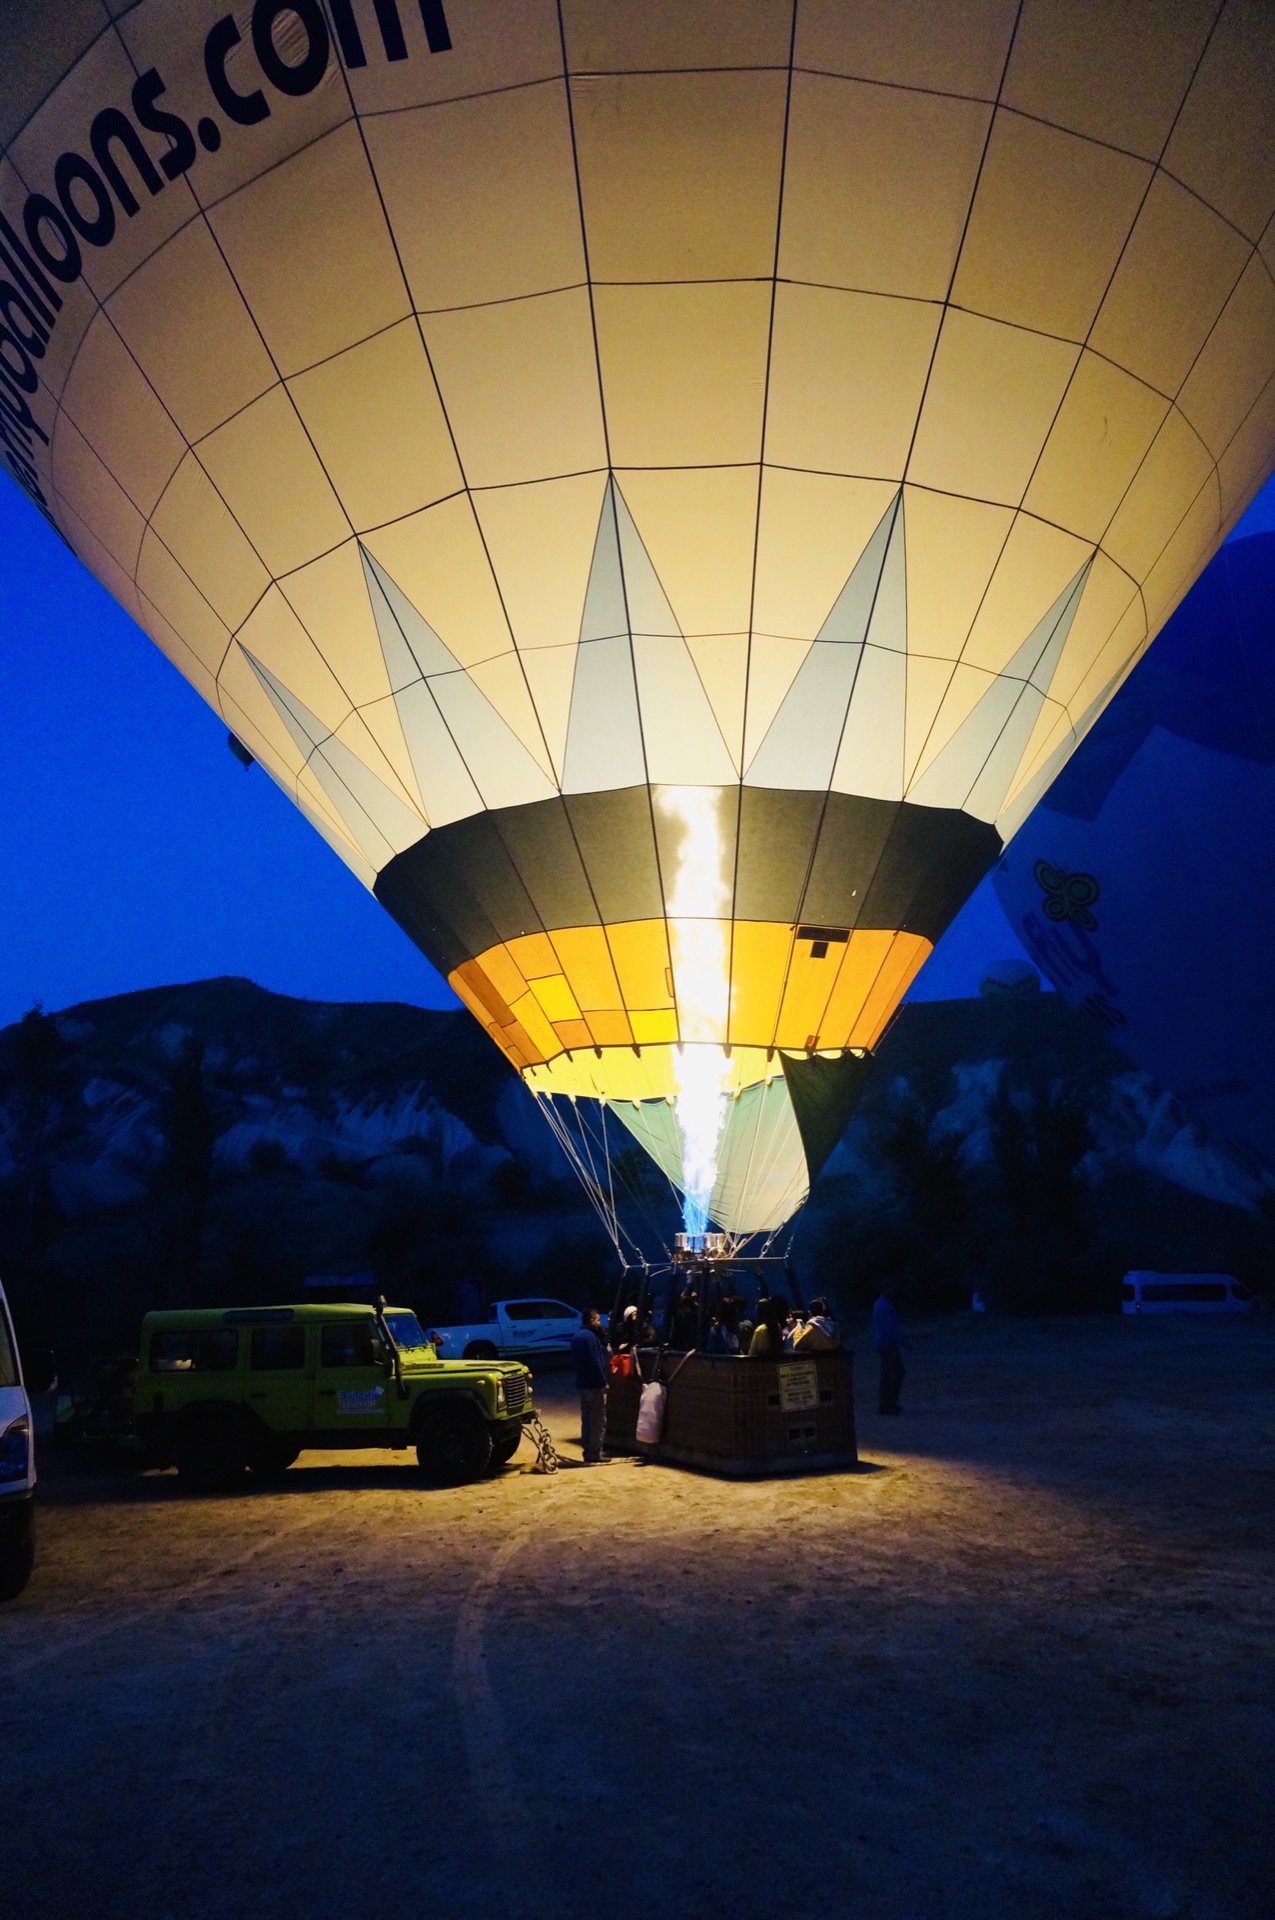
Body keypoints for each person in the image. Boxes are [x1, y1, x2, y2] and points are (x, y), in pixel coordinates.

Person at [570, 1308, 611, 1464]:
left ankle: (587, 1451)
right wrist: (603, 1381)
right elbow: (596, 1363)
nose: (600, 1323)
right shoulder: (591, 1337)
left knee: (586, 1420)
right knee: (598, 1421)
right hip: (594, 1385)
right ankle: (594, 1454)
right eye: (598, 1320)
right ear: (592, 1320)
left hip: (582, 1383)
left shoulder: (577, 1337)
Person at [872, 1282, 908, 1414]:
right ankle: (887, 1404)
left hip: (887, 1343)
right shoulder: (884, 1305)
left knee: (893, 1373)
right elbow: (889, 1329)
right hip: (887, 1343)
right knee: (891, 1374)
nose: (893, 1290)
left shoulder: (884, 1304)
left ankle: (889, 1403)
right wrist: (902, 1341)